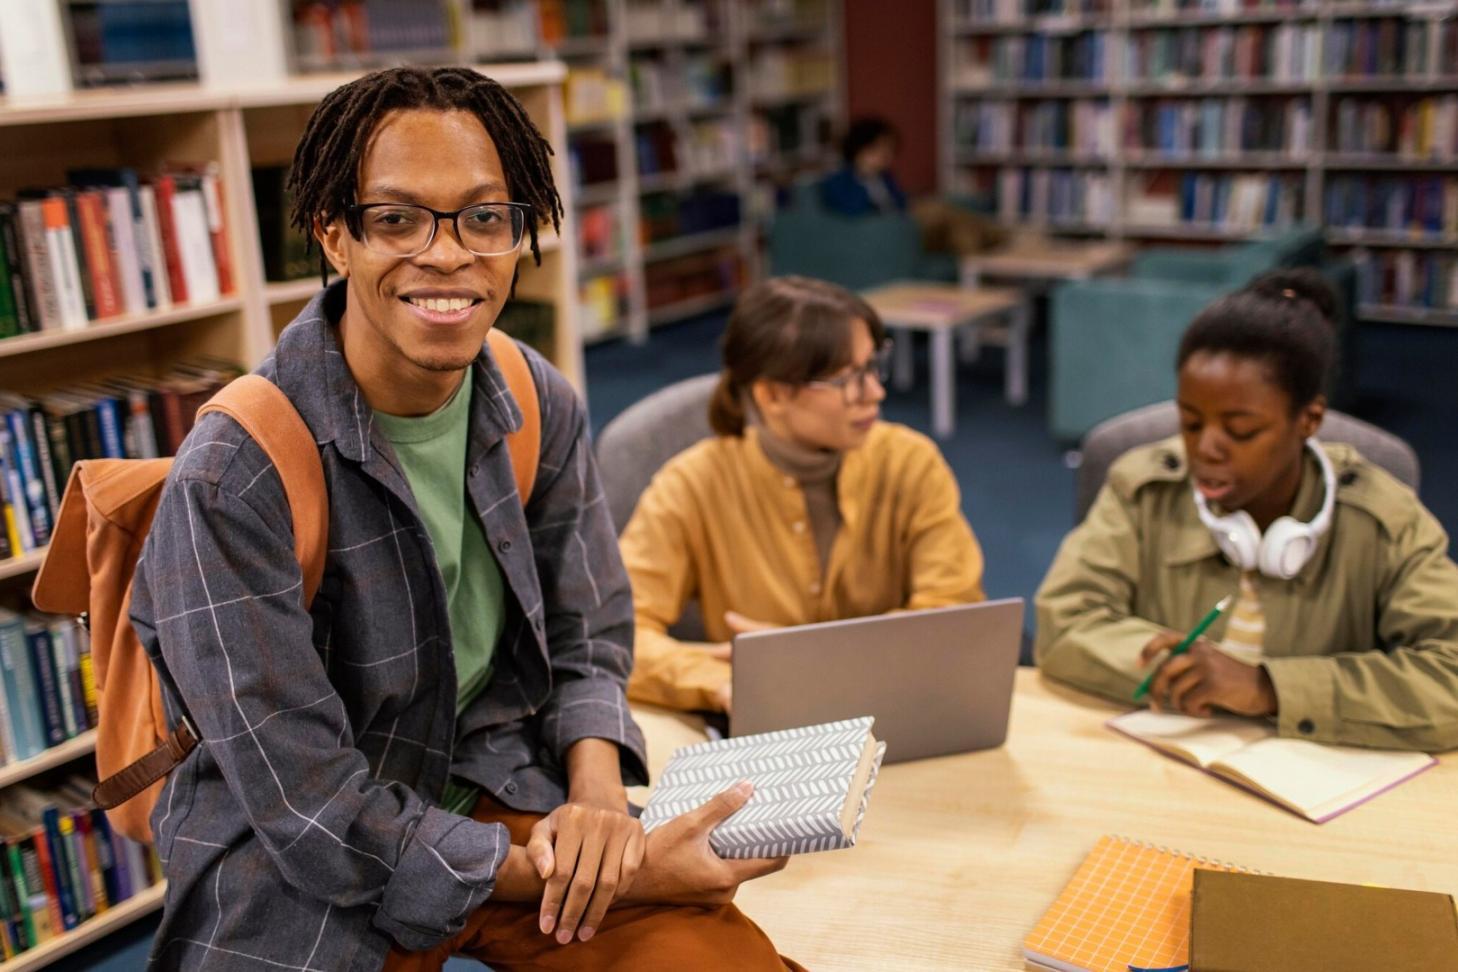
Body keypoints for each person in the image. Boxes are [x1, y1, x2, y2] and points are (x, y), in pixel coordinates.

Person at [129, 66, 801, 971]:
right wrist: (615, 874)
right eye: (396, 219)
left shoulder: (532, 393)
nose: (448, 255)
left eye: (485, 218)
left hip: (495, 775)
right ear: (333, 235)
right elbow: (313, 810)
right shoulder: (232, 476)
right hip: (309, 860)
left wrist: (600, 797)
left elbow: (590, 634)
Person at [1035, 268, 1458, 751]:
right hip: (1161, 763)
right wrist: (1185, 674)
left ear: (1309, 420)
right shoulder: (1143, 488)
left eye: (1241, 431)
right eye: (1191, 423)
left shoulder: (1384, 519)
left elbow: (1450, 673)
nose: (1206, 450)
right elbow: (1064, 623)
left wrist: (1267, 688)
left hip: (1312, 773)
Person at [620, 276, 986, 716]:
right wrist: (716, 682)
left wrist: (809, 659)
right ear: (773, 395)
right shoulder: (692, 483)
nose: (876, 392)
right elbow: (615, 634)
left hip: (895, 706)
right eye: (848, 379)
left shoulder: (910, 462)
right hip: (764, 717)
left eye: (873, 366)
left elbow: (954, 612)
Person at [818, 117, 907, 217]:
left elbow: (900, 205)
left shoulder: (886, 177)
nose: (885, 156)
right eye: (876, 149)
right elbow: (852, 211)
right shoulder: (837, 180)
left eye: (889, 150)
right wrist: (864, 174)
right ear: (858, 149)